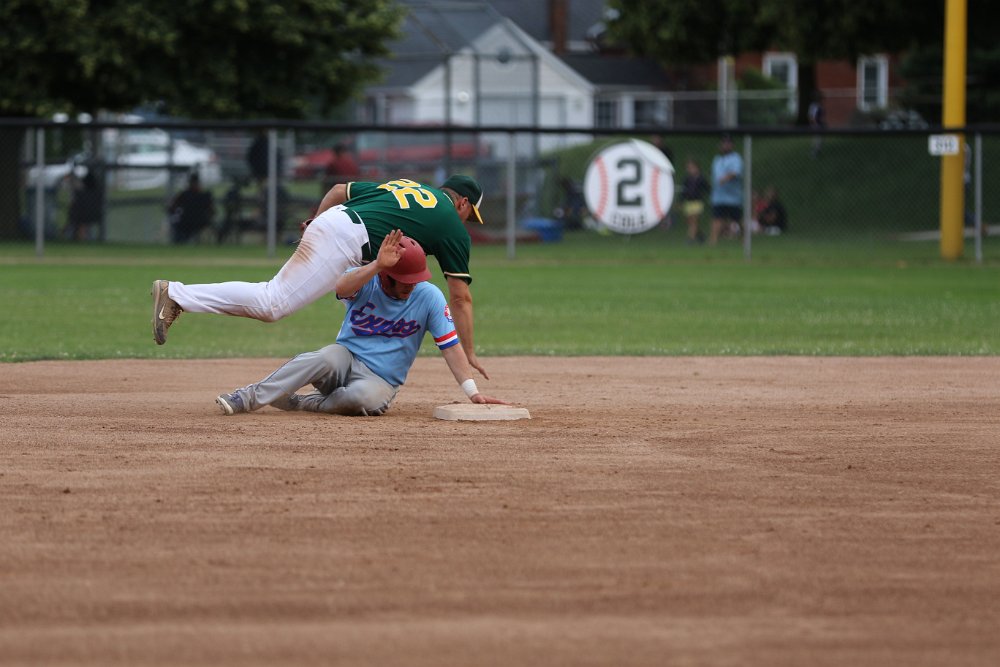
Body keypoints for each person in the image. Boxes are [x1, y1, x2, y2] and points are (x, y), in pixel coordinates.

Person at [151, 173, 490, 378]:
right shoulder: (452, 225)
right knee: (273, 303)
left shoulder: (408, 188)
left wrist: (317, 220)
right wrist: (470, 351)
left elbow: (340, 189)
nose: (466, 222)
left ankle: (178, 295)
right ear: (462, 202)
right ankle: (176, 294)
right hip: (345, 238)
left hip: (337, 224)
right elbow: (460, 297)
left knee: (274, 300)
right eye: (470, 214)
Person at [214, 232, 508, 416]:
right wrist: (377, 265)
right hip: (346, 358)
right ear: (385, 276)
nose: (411, 285)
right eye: (404, 280)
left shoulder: (429, 296)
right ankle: (246, 398)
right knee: (324, 357)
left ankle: (302, 403)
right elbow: (341, 286)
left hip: (381, 380)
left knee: (360, 399)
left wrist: (472, 392)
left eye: (415, 279)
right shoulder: (367, 279)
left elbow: (451, 347)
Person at [709, 134, 744, 244]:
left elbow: (735, 172)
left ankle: (744, 239)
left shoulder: (736, 158)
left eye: (728, 143)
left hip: (733, 197)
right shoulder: (717, 159)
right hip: (718, 196)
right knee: (717, 218)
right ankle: (713, 241)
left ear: (732, 145)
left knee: (737, 219)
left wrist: (725, 178)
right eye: (724, 143)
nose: (725, 145)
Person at [167, 173, 216, 244]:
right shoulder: (203, 195)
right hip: (197, 222)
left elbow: (172, 208)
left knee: (179, 229)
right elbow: (212, 210)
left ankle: (181, 242)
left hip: (189, 222)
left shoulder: (186, 194)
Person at [65, 171, 103, 242]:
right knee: (82, 227)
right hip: (85, 215)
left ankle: (83, 238)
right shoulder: (85, 192)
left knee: (83, 226)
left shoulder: (82, 193)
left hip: (83, 215)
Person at [679, 158, 709, 244]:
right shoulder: (686, 179)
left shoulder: (701, 178)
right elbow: (683, 191)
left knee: (694, 220)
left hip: (697, 202)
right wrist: (681, 201)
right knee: (690, 221)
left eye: (692, 167)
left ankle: (690, 238)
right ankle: (700, 235)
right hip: (689, 202)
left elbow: (707, 188)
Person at [808, 93, 826, 158]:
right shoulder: (814, 106)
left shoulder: (819, 105)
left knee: (820, 139)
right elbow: (812, 117)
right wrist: (815, 124)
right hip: (816, 125)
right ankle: (814, 153)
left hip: (820, 124)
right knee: (817, 139)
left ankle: (817, 152)